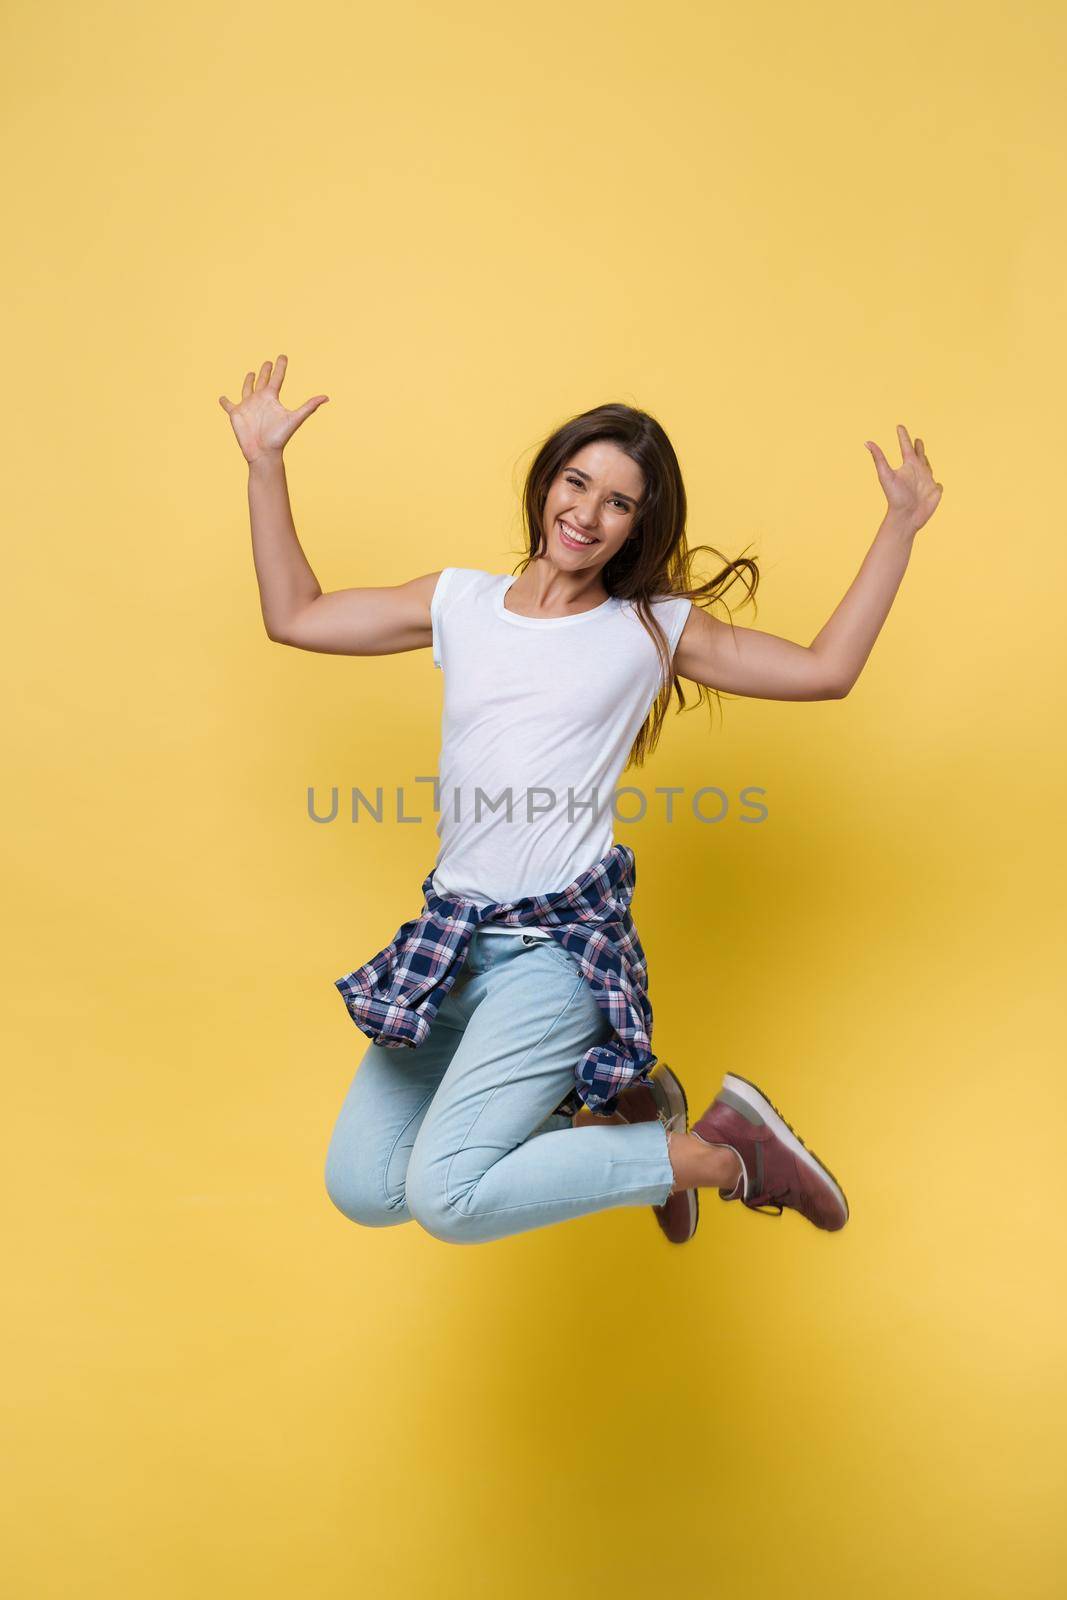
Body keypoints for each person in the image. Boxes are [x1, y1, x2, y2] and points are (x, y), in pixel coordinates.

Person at [219, 356, 944, 1248]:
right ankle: (630, 1130)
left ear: (638, 525)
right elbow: (295, 614)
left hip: (554, 955)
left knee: (447, 1197)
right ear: (547, 481)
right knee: (366, 1187)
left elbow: (824, 672)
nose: (586, 513)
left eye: (618, 502)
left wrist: (900, 526)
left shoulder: (646, 628)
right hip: (449, 943)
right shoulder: (460, 603)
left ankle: (727, 1153)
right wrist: (265, 465)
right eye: (576, 481)